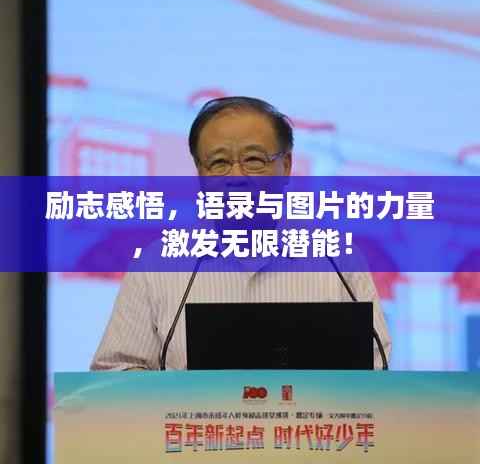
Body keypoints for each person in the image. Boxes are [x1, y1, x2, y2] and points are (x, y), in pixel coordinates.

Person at [91, 96, 391, 370]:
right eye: (219, 162)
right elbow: (115, 371)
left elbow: (376, 374)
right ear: (200, 173)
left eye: (254, 160)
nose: (236, 177)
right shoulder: (156, 264)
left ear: (286, 166)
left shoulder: (338, 260)